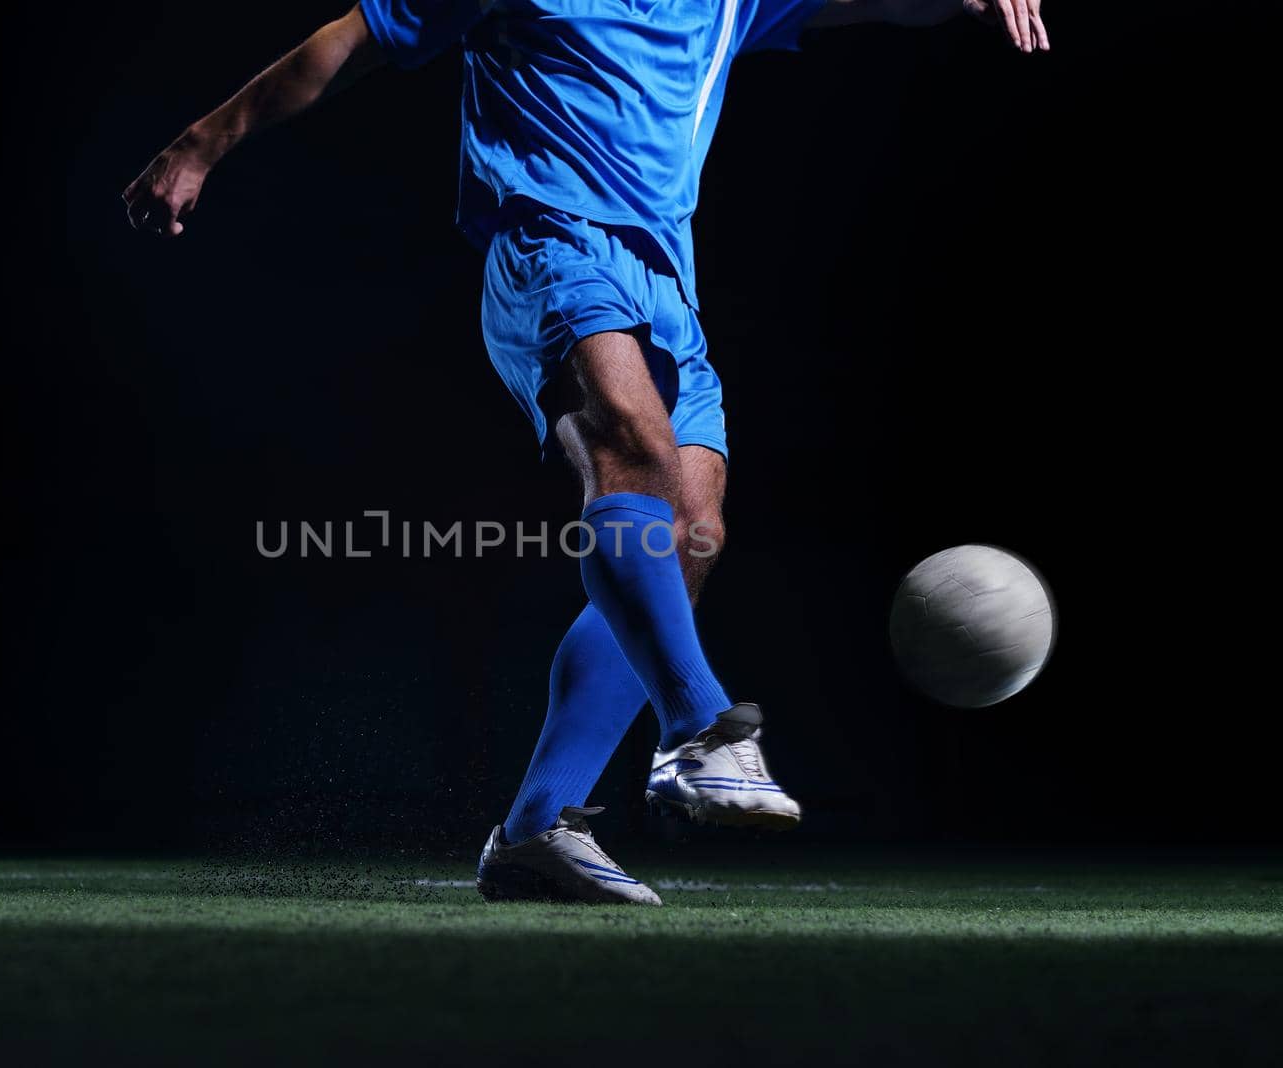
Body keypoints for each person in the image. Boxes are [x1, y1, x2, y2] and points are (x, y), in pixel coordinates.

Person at [123, 0, 1049, 905]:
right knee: (634, 454)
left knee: (688, 535)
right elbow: (353, 39)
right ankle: (700, 725)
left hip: (665, 283)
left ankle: (537, 829)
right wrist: (204, 140)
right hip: (549, 240)